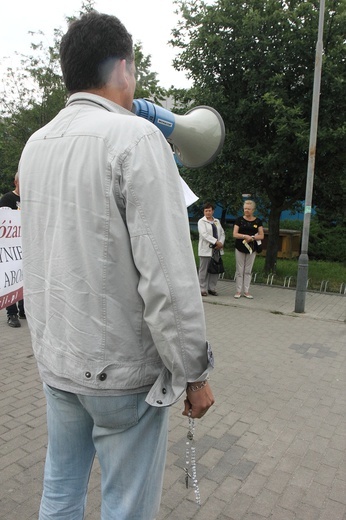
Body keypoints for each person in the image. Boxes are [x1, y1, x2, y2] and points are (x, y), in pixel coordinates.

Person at [19, 11, 214, 520]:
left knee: (59, 491)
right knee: (125, 506)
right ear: (123, 68)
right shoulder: (137, 140)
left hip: (57, 363)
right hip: (122, 376)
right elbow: (168, 279)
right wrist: (193, 373)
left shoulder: (34, 146)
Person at [0, 172, 25, 327]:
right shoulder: (7, 199)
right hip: (11, 250)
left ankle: (23, 310)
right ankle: (12, 314)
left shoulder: (28, 200)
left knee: (23, 278)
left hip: (25, 247)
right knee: (12, 279)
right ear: (16, 182)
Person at [233, 199, 264, 299]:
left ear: (253, 210)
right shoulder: (239, 220)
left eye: (249, 209)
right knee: (239, 270)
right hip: (240, 247)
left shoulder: (258, 221)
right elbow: (235, 234)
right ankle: (238, 291)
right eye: (245, 208)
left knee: (248, 270)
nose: (247, 211)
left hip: (251, 248)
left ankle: (246, 291)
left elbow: (261, 235)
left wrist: (253, 238)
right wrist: (244, 236)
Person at [198, 203, 225, 297]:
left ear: (213, 211)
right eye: (206, 211)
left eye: (209, 210)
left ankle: (212, 288)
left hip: (217, 250)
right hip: (206, 249)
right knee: (204, 270)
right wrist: (215, 242)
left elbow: (222, 233)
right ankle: (202, 289)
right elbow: (204, 234)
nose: (208, 212)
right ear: (204, 212)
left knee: (215, 269)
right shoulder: (201, 221)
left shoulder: (217, 221)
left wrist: (220, 243)